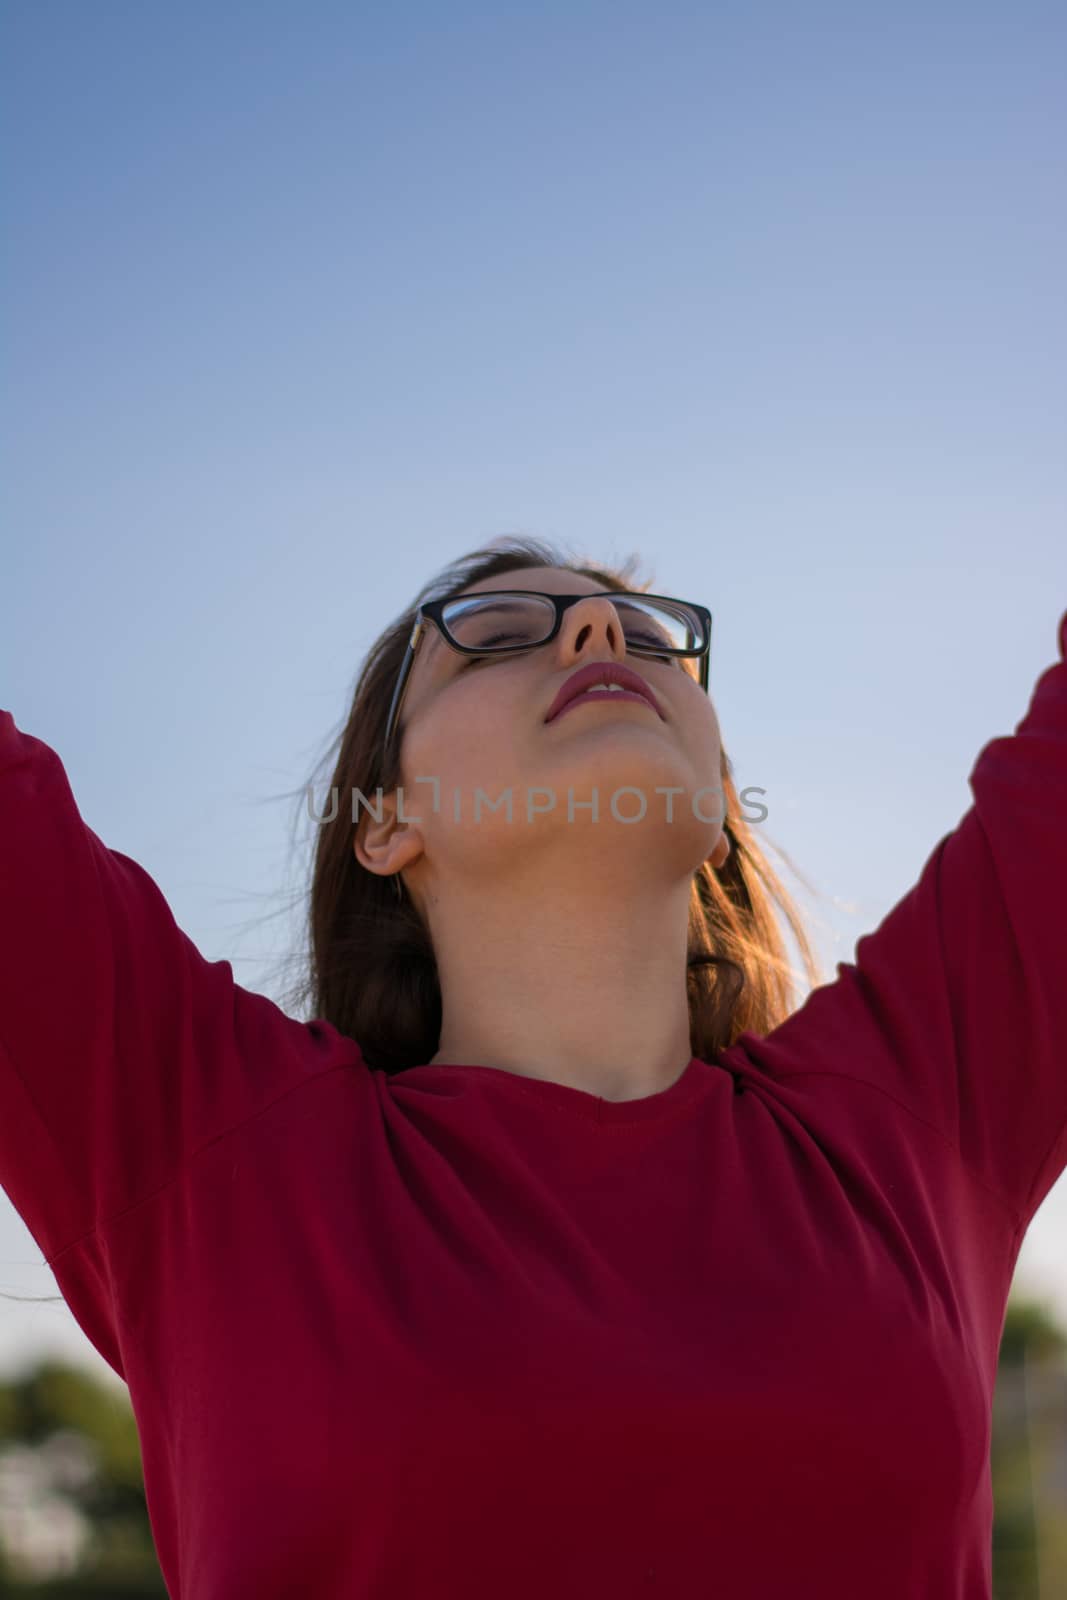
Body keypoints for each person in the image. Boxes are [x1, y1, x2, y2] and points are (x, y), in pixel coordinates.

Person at [1, 532, 1064, 1599]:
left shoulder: (911, 1116)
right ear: (383, 821)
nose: (602, 631)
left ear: (723, 804)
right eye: (497, 638)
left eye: (649, 640)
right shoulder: (213, 1151)